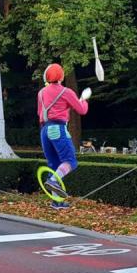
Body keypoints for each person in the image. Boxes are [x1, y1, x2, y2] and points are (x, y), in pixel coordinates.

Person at [38, 63, 91, 209]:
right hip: (58, 129)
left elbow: (40, 114)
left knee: (54, 165)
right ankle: (54, 181)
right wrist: (83, 100)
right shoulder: (66, 92)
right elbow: (81, 110)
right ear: (61, 76)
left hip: (44, 131)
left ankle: (57, 202)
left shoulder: (41, 92)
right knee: (70, 161)